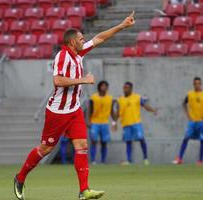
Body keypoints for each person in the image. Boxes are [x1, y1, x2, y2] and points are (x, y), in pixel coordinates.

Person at [13, 11, 136, 200]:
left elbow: (99, 38)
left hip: (74, 110)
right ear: (72, 42)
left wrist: (122, 25)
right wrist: (84, 80)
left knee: (82, 145)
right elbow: (57, 80)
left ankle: (83, 190)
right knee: (45, 150)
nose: (83, 40)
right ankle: (20, 178)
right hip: (57, 112)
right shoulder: (63, 57)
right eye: (80, 38)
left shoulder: (78, 52)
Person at [114, 82, 157, 165]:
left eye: (126, 88)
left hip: (136, 123)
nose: (125, 89)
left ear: (131, 88)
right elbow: (118, 113)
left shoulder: (137, 97)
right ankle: (129, 160)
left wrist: (153, 110)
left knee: (141, 139)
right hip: (126, 124)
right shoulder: (120, 100)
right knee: (128, 141)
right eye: (124, 87)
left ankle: (145, 159)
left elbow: (145, 106)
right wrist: (114, 122)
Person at [173, 77, 203, 165]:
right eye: (195, 83)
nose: (197, 85)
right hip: (192, 121)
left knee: (202, 140)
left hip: (202, 121)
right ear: (193, 84)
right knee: (186, 138)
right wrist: (188, 115)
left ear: (201, 84)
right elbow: (184, 103)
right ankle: (180, 158)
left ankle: (200, 160)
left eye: (198, 83)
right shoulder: (190, 94)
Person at [88, 80, 117, 164]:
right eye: (103, 86)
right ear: (99, 87)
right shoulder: (94, 97)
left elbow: (112, 111)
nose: (104, 88)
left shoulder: (110, 98)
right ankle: (93, 160)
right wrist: (88, 121)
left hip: (104, 123)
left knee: (104, 142)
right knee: (94, 141)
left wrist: (114, 122)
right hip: (95, 122)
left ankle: (103, 160)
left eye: (106, 86)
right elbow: (90, 109)